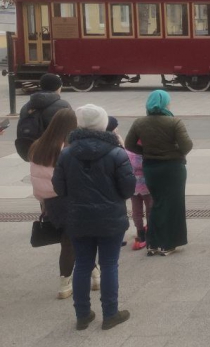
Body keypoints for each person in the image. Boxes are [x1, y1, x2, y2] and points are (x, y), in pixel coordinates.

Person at [53, 105, 135, 331]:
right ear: (103, 123)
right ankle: (110, 313)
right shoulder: (116, 152)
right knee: (109, 264)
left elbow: (59, 187)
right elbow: (128, 188)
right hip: (110, 217)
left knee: (82, 265)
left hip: (78, 216)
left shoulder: (67, 153)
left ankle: (82, 315)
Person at [124, 91, 193, 257]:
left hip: (151, 168)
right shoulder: (174, 122)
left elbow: (129, 144)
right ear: (165, 104)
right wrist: (172, 151)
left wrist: (147, 151)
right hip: (173, 168)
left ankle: (152, 243)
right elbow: (187, 146)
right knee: (173, 205)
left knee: (157, 204)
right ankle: (167, 244)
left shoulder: (139, 123)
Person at [29, 108, 80, 299]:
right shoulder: (65, 148)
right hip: (66, 198)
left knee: (71, 239)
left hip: (49, 201)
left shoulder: (37, 146)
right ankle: (66, 283)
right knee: (72, 241)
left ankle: (90, 273)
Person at [15, 72, 72, 161]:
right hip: (54, 153)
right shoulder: (63, 105)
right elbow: (70, 131)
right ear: (58, 87)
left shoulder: (26, 106)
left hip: (31, 151)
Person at [125, 137, 150, 251]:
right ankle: (150, 230)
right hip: (147, 186)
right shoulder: (147, 153)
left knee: (137, 211)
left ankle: (140, 233)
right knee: (150, 208)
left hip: (133, 187)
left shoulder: (128, 153)